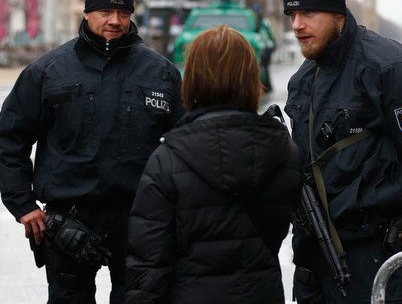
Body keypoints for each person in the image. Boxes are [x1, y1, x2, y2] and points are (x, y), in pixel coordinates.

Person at [0, 0, 183, 303]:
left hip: (139, 221)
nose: (115, 21)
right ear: (86, 11)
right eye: (105, 12)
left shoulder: (162, 73)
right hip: (68, 221)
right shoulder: (48, 71)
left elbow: (184, 146)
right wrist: (22, 205)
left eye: (123, 13)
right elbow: (11, 139)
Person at [282, 0, 402, 304]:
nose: (298, 25)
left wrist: (400, 214)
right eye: (292, 15)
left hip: (372, 254)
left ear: (338, 12)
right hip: (313, 258)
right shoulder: (302, 79)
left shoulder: (392, 69)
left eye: (309, 12)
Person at [125, 25, 302, 303]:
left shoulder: (168, 158)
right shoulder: (285, 152)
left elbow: (148, 265)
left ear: (193, 76)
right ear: (251, 77)